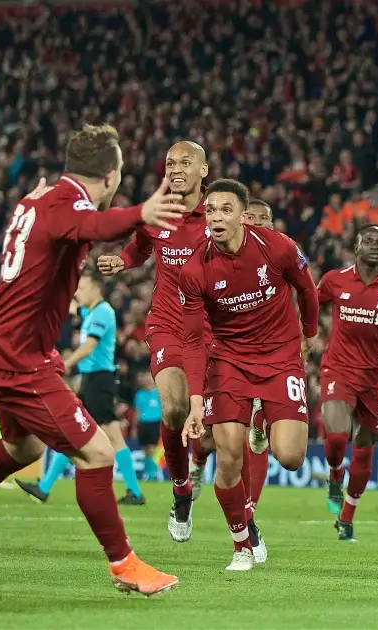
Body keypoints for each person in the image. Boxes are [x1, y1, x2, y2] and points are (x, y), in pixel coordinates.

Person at [0, 124, 185, 595]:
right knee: (97, 453)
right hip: (19, 356)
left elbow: (73, 224)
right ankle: (123, 564)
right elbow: (94, 226)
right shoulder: (66, 205)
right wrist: (142, 212)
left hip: (2, 345)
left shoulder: (37, 200)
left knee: (26, 449)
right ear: (112, 174)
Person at [177, 179, 318, 571]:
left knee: (290, 456)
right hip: (229, 362)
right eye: (211, 210)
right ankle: (241, 543)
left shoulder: (279, 247)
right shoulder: (195, 270)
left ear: (243, 215)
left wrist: (310, 331)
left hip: (281, 357)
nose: (217, 217)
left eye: (225, 209)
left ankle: (264, 421)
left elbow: (307, 289)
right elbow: (190, 341)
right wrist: (193, 402)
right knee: (229, 458)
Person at [98, 141, 209, 542]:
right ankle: (181, 491)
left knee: (213, 432)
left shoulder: (219, 214)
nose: (176, 168)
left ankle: (234, 507)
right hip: (168, 324)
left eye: (185, 162)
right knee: (175, 407)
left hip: (214, 330)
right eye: (170, 163)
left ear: (204, 171)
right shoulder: (156, 210)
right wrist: (122, 261)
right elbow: (141, 247)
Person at [317, 225, 378, 542]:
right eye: (368, 241)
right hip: (338, 370)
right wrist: (309, 334)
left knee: (363, 448)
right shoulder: (335, 280)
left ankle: (346, 518)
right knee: (336, 436)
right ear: (356, 248)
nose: (374, 246)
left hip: (374, 380)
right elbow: (310, 305)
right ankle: (336, 474)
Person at [15, 271, 144, 505]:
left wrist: (64, 364)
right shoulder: (90, 312)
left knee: (107, 436)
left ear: (96, 289)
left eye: (82, 288)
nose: (77, 293)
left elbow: (89, 347)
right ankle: (44, 487)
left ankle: (134, 491)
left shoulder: (103, 312)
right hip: (91, 381)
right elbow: (70, 306)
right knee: (73, 433)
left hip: (99, 381)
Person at [189, 197, 276, 540]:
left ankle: (249, 513)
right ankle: (197, 462)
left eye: (263, 219)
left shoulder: (278, 254)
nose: (257, 224)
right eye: (251, 218)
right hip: (221, 351)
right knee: (212, 436)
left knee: (255, 440)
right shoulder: (216, 255)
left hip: (267, 358)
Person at [133, 373, 163, 481]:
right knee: (146, 450)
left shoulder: (158, 393)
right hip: (143, 424)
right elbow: (137, 412)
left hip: (155, 423)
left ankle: (152, 474)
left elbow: (163, 410)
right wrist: (134, 427)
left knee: (152, 449)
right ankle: (148, 473)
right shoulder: (139, 394)